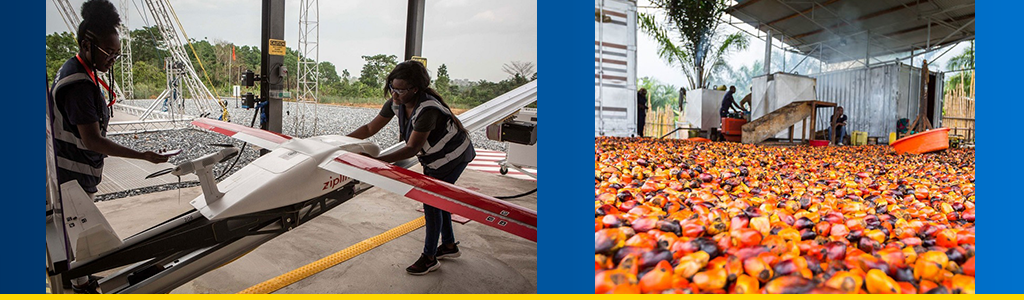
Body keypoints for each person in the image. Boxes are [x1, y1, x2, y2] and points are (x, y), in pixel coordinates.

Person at [47, 0, 170, 293]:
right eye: (108, 51)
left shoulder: (81, 73)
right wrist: (143, 156)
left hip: (76, 176)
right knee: (78, 239)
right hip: (69, 178)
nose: (112, 57)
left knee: (77, 237)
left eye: (117, 52)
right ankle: (79, 285)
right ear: (87, 44)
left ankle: (81, 280)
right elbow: (92, 140)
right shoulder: (77, 83)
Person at [347, 60, 476, 275]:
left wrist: (377, 162)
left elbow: (411, 148)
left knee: (432, 203)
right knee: (439, 200)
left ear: (415, 89)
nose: (395, 95)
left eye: (400, 90)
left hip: (453, 157)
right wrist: (336, 140)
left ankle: (429, 257)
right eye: (392, 88)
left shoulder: (427, 110)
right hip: (435, 158)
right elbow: (370, 128)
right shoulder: (396, 103)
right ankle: (449, 246)